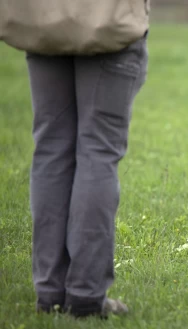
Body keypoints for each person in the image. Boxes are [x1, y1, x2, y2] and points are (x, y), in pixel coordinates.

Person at [1, 1, 149, 317]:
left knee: (51, 151)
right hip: (109, 22)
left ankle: (50, 292)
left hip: (45, 21)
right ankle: (86, 294)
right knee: (98, 152)